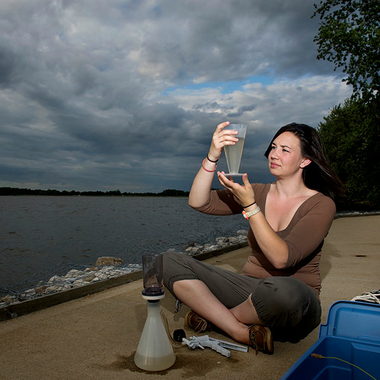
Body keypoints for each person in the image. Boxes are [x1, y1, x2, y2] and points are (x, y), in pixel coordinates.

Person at [163, 121, 344, 354]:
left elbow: (282, 259)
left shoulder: (321, 204)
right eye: (273, 147)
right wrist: (211, 156)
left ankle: (217, 317)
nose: (273, 154)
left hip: (292, 304)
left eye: (284, 150)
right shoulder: (258, 191)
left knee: (285, 292)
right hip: (247, 293)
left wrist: (250, 206)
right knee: (167, 261)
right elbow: (199, 201)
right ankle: (238, 330)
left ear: (305, 160)